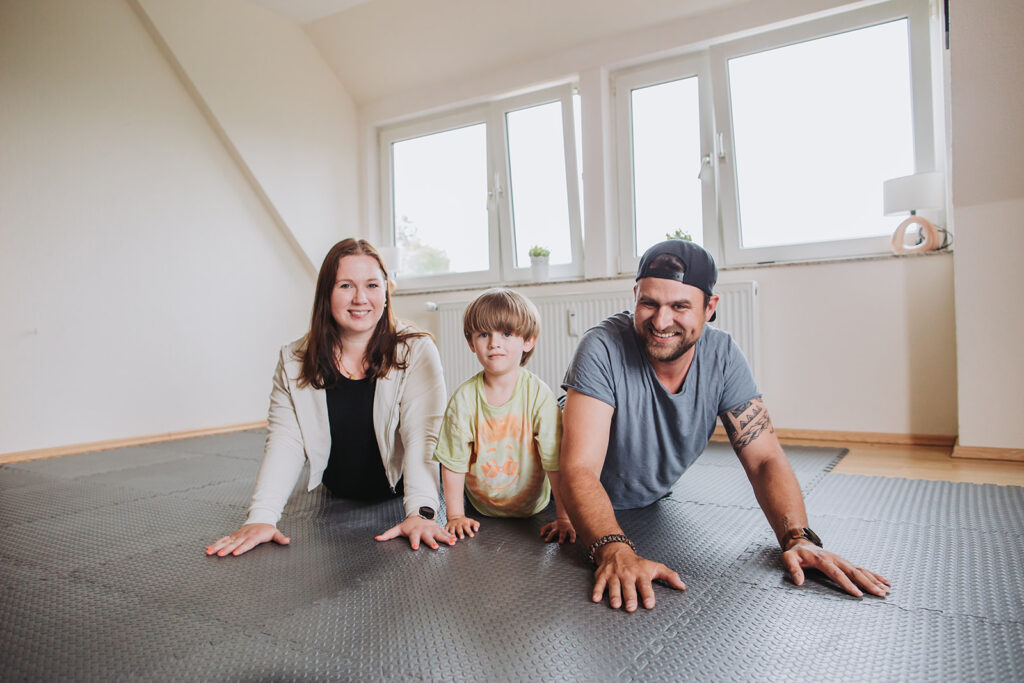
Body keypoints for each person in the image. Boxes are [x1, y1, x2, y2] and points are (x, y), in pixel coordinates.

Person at [558, 239, 891, 611]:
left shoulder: (724, 357)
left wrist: (799, 539)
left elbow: (764, 458)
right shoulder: (601, 347)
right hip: (546, 492)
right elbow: (579, 468)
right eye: (649, 302)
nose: (661, 320)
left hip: (642, 500)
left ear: (709, 307)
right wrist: (612, 550)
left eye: (679, 306)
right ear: (635, 295)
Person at [205, 238, 453, 557]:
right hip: (338, 494)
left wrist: (422, 513)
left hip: (403, 490)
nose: (360, 298)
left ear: (386, 293)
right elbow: (286, 440)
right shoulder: (295, 358)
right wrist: (261, 517)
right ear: (326, 294)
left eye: (372, 285)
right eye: (346, 285)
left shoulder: (416, 349)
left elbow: (423, 436)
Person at [433, 288, 575, 543]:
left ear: (528, 341)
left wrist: (564, 517)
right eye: (484, 334)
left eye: (506, 334)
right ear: (471, 343)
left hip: (535, 507)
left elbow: (555, 461)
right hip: (481, 508)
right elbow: (453, 463)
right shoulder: (464, 399)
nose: (494, 343)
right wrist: (454, 515)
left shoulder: (539, 396)